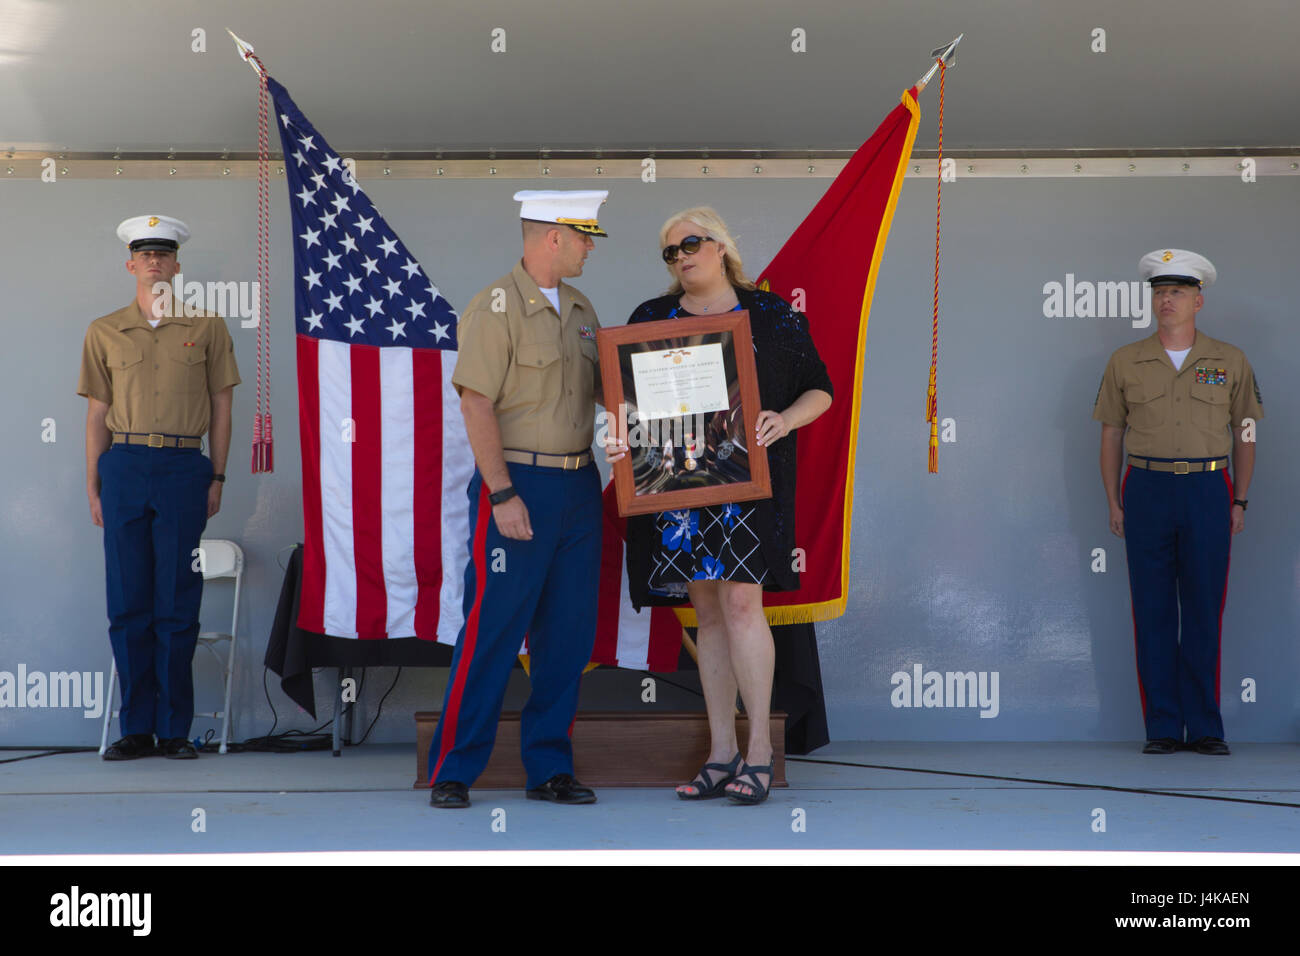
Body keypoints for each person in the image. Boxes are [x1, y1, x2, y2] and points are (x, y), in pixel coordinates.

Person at [606, 207, 833, 804]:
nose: (681, 256)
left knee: (740, 602)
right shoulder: (649, 318)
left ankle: (760, 751)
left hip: (748, 486)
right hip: (676, 489)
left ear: (721, 247)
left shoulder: (771, 314)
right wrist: (617, 433)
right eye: (669, 251)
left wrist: (783, 420)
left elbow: (821, 390)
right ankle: (720, 752)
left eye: (691, 243)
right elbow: (625, 404)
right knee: (705, 612)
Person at [428, 190, 608, 808]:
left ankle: (549, 768)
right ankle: (453, 767)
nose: (591, 246)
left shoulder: (584, 310)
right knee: (493, 630)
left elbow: (616, 394)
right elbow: (475, 402)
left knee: (567, 637)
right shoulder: (495, 306)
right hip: (518, 484)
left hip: (581, 486)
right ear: (554, 235)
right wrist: (502, 492)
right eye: (585, 235)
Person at [79, 215, 240, 760]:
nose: (153, 262)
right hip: (123, 463)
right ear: (131, 265)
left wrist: (217, 474)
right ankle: (135, 729)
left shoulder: (208, 326)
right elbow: (97, 413)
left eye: (162, 253)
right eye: (143, 254)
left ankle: (174, 730)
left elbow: (223, 405)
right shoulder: (104, 330)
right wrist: (95, 485)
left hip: (181, 467)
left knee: (177, 600)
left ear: (176, 265)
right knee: (128, 603)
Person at [1093, 248, 1264, 756]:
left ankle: (1206, 726)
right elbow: (1110, 436)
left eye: (1178, 292)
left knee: (1205, 607)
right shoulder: (1126, 360)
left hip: (1209, 490)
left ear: (1199, 301)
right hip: (1144, 487)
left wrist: (1241, 500)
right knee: (1152, 609)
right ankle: (1163, 726)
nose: (1167, 300)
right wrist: (1113, 501)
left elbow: (1246, 433)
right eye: (1160, 292)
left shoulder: (1228, 360)